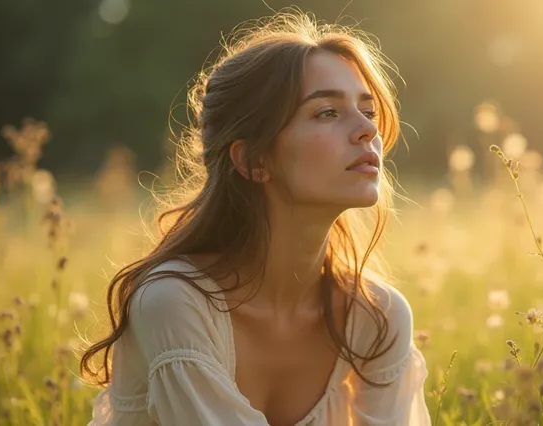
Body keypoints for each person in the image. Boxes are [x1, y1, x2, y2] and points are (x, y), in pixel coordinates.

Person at [80, 8, 431, 426]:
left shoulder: (378, 317)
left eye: (368, 112)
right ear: (252, 160)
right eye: (328, 113)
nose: (367, 131)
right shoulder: (175, 303)